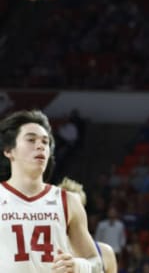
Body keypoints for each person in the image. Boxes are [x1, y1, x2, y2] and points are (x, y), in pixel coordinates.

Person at [0, 109, 103, 272]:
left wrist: (78, 265)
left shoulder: (68, 201)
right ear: (8, 150)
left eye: (45, 142)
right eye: (31, 140)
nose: (40, 145)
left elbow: (96, 263)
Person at [58, 177, 118, 273]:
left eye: (77, 207)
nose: (73, 213)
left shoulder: (105, 252)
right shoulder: (48, 256)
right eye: (67, 208)